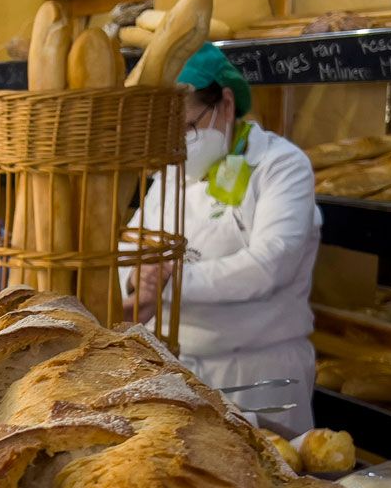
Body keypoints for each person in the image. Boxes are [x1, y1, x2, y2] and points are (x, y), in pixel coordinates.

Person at [126, 43, 322, 437]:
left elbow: (270, 265)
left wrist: (168, 278)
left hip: (259, 373)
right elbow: (133, 243)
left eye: (187, 128)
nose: (177, 147)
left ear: (226, 105)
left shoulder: (280, 166)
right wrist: (136, 278)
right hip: (176, 368)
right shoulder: (171, 175)